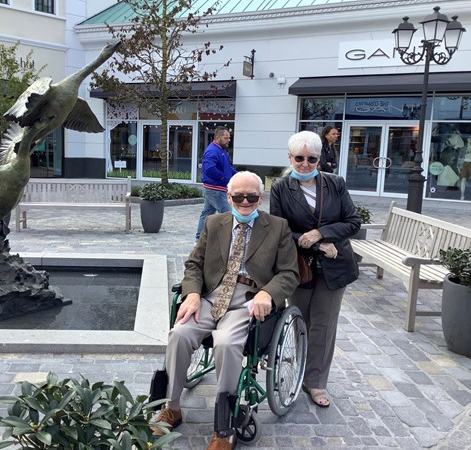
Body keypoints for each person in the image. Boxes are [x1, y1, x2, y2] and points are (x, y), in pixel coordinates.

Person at [153, 171, 299, 449]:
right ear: (228, 197)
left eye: (252, 196)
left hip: (248, 299)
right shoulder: (214, 222)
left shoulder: (278, 227)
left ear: (261, 198)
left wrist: (268, 293)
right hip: (210, 296)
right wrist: (193, 293)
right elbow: (194, 263)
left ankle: (224, 424)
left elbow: (289, 273)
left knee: (226, 342)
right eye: (238, 196)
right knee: (179, 334)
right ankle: (171, 407)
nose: (245, 202)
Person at [269, 131, 361, 408]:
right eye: (299, 158)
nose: (305, 164)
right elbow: (279, 229)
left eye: (311, 158)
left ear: (320, 159)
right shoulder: (281, 188)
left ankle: (316, 381)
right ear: (290, 158)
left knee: (323, 324)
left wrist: (322, 234)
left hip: (335, 267)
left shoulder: (335, 184)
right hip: (299, 266)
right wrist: (313, 244)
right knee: (300, 321)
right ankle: (298, 368)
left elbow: (353, 222)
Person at [194, 127, 237, 244]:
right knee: (228, 214)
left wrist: (239, 175)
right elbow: (209, 168)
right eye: (226, 138)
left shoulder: (221, 150)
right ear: (217, 138)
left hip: (215, 188)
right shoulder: (213, 151)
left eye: (229, 138)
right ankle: (229, 241)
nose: (229, 140)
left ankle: (199, 240)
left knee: (206, 214)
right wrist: (223, 177)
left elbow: (227, 168)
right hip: (216, 189)